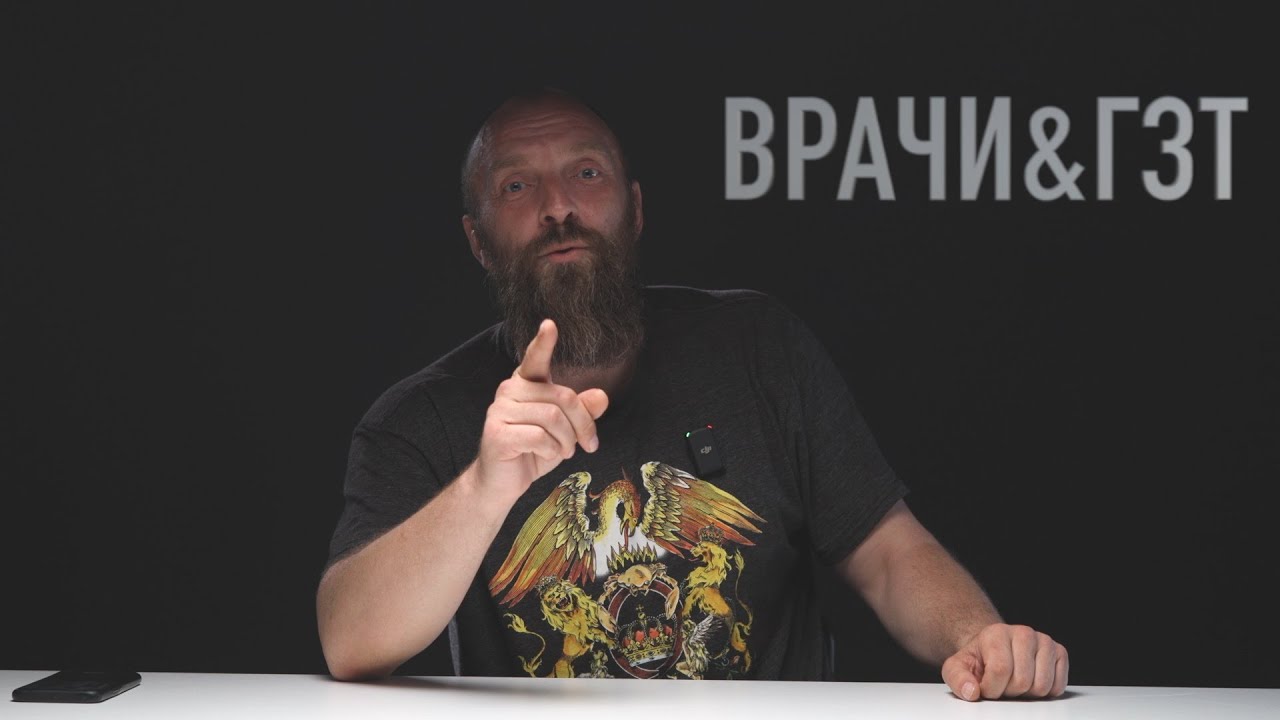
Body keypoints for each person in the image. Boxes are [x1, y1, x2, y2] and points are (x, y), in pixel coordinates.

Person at [316, 88, 1068, 699]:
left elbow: (888, 552)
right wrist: (483, 488)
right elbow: (350, 641)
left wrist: (979, 640)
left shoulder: (759, 349)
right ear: (478, 241)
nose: (558, 206)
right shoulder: (420, 419)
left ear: (636, 209)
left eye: (587, 173)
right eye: (517, 186)